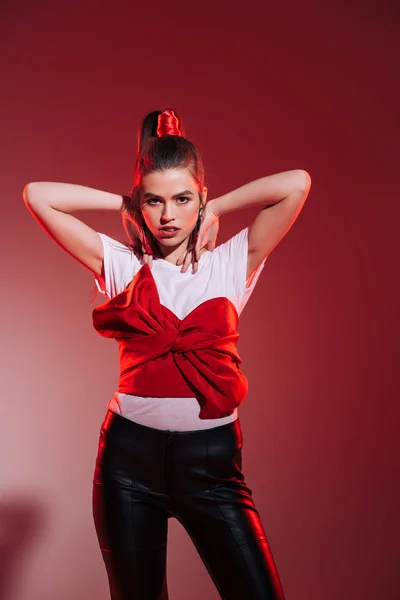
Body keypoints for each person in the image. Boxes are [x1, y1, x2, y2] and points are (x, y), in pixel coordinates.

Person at [23, 108, 311, 600]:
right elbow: (38, 196)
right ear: (142, 204)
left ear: (199, 198)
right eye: (154, 201)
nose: (167, 215)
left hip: (212, 467)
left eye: (181, 199)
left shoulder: (229, 263)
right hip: (128, 464)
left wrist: (216, 207)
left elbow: (297, 184)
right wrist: (124, 202)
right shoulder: (119, 263)